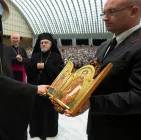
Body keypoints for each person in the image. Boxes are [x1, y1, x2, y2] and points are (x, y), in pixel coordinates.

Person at [52, 0, 141, 140]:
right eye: (104, 13)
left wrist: (91, 102)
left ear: (133, 12)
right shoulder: (104, 46)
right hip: (97, 127)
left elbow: (138, 97)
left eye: (111, 12)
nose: (105, 18)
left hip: (125, 131)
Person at [25, 33, 64, 140]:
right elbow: (28, 69)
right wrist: (35, 66)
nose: (43, 44)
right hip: (37, 90)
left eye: (46, 42)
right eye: (41, 42)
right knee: (36, 112)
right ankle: (35, 131)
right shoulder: (35, 55)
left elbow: (61, 72)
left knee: (50, 112)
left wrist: (46, 67)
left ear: (51, 44)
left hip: (51, 90)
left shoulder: (56, 56)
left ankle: (50, 131)